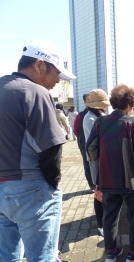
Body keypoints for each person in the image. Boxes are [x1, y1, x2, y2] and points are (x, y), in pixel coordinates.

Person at [0, 39, 76, 262]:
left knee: (7, 255)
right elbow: (51, 148)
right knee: (42, 257)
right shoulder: (34, 92)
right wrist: (51, 185)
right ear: (40, 65)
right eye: (57, 74)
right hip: (30, 188)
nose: (56, 81)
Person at [86, 84, 134, 262]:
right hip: (130, 179)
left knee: (110, 215)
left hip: (107, 179)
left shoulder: (99, 122)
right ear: (130, 104)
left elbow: (90, 148)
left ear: (113, 102)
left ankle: (111, 252)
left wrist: (101, 159)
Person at [83, 88, 110, 236]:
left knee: (103, 190)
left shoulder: (99, 115)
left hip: (102, 158)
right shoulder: (90, 118)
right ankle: (100, 223)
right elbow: (99, 139)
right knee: (98, 191)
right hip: (95, 159)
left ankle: (104, 220)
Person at [73, 94, 94, 192]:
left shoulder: (99, 113)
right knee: (87, 163)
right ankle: (92, 185)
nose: (90, 102)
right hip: (84, 143)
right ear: (85, 103)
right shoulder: (80, 115)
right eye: (88, 101)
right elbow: (76, 131)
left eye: (92, 100)